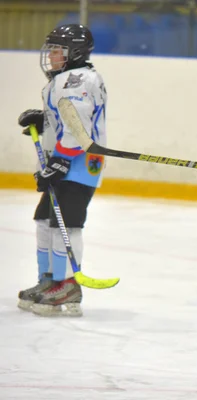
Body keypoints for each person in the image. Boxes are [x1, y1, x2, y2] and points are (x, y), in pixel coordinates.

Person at [16, 24, 107, 317]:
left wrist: (60, 161)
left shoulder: (75, 80)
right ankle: (49, 281)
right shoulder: (67, 79)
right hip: (67, 161)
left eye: (58, 50)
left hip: (78, 164)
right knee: (45, 219)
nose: (52, 55)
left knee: (65, 224)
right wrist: (45, 121)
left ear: (75, 52)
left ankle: (66, 284)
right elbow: (66, 119)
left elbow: (78, 128)